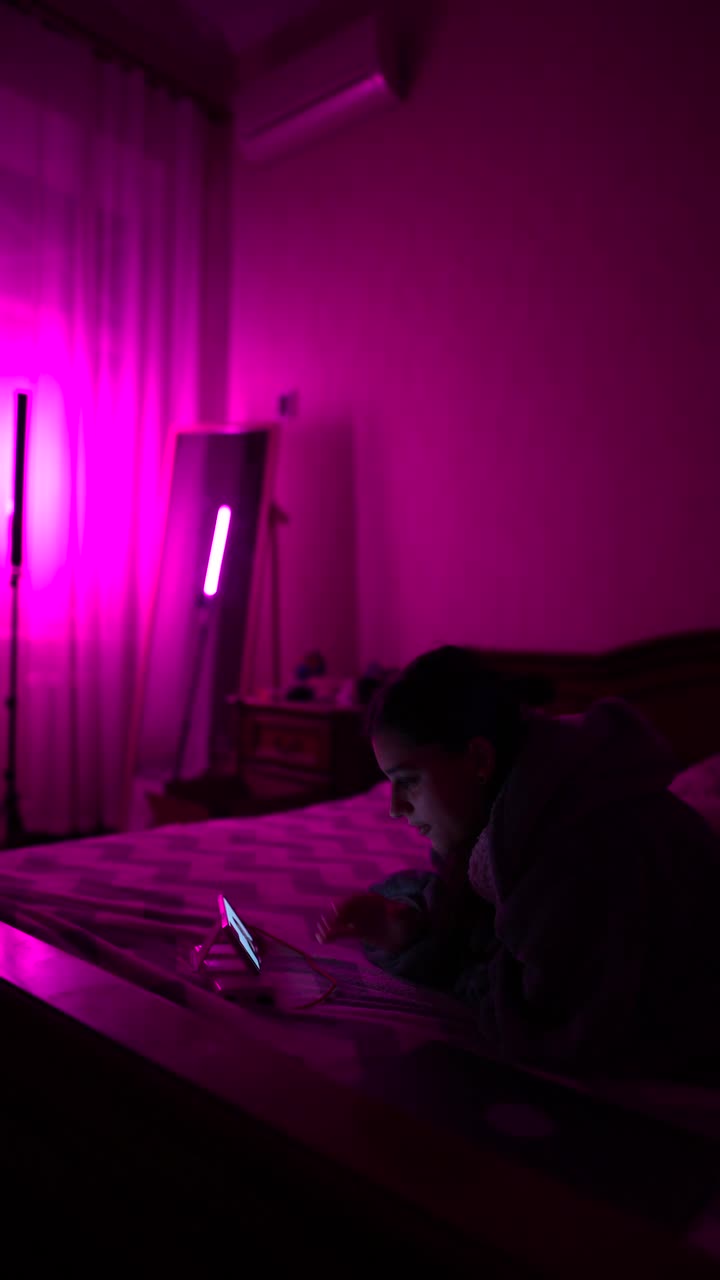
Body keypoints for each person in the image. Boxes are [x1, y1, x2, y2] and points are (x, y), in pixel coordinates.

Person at [316, 646, 720, 1078]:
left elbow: (557, 1022)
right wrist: (414, 928)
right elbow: (487, 921)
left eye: (409, 781)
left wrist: (444, 956)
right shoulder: (510, 820)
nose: (395, 808)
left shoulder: (581, 845)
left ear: (479, 760)